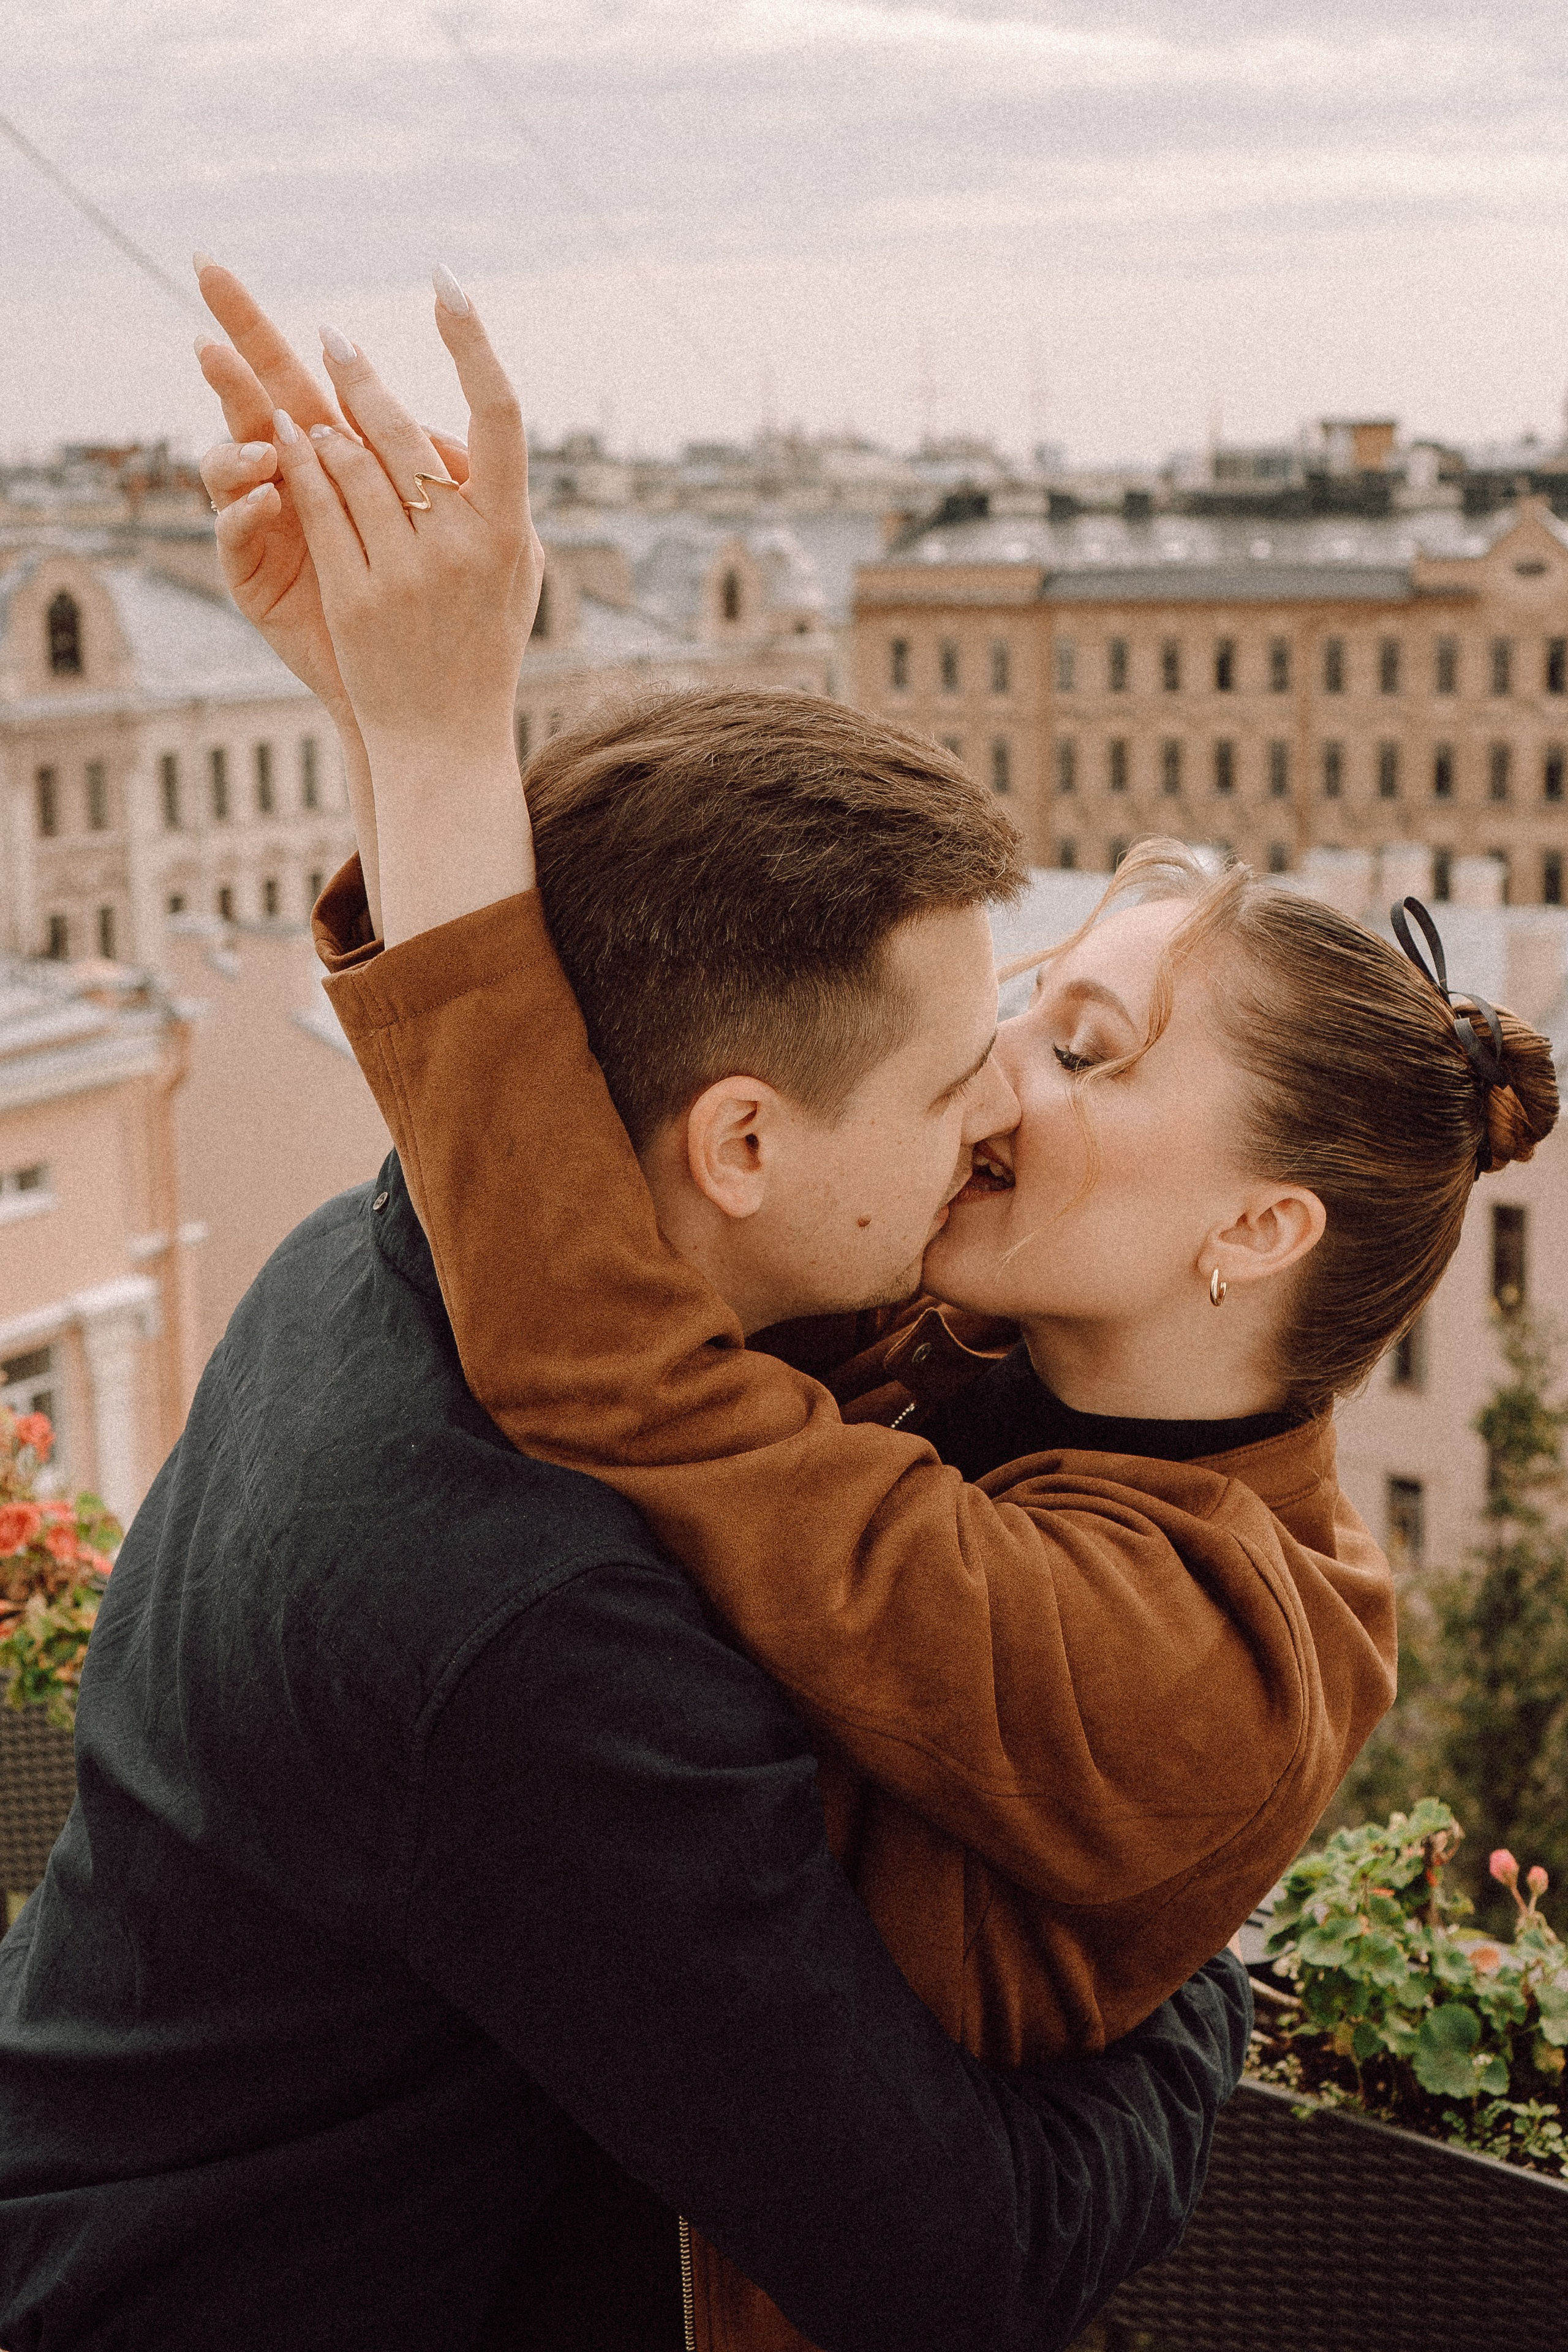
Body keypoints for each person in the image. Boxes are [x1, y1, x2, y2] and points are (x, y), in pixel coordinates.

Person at [225, 273, 1555, 2350]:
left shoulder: (1203, 1648)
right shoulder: (994, 1370)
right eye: (1027, 1014)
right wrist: (404, 740)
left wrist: (431, 742)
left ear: (1254, 1234)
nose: (1005, 1078)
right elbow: (628, 1163)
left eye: (1093, 1053)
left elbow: (620, 1359)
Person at [0, 284, 1257, 2352]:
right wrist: (1193, 1957)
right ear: (743, 1144)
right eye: (958, 1079)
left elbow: (489, 1073)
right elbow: (951, 2256)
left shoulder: (391, 1249)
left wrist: (420, 725)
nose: (1005, 1109)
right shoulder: (532, 1623)